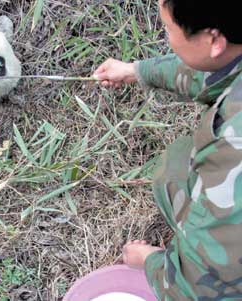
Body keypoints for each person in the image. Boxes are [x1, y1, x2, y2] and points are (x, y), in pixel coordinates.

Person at [93, 0, 242, 300]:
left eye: (167, 30)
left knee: (172, 172)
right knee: (179, 160)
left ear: (213, 39)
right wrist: (138, 70)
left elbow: (201, 288)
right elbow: (216, 70)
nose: (168, 39)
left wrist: (150, 262)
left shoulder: (231, 146)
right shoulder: (231, 47)